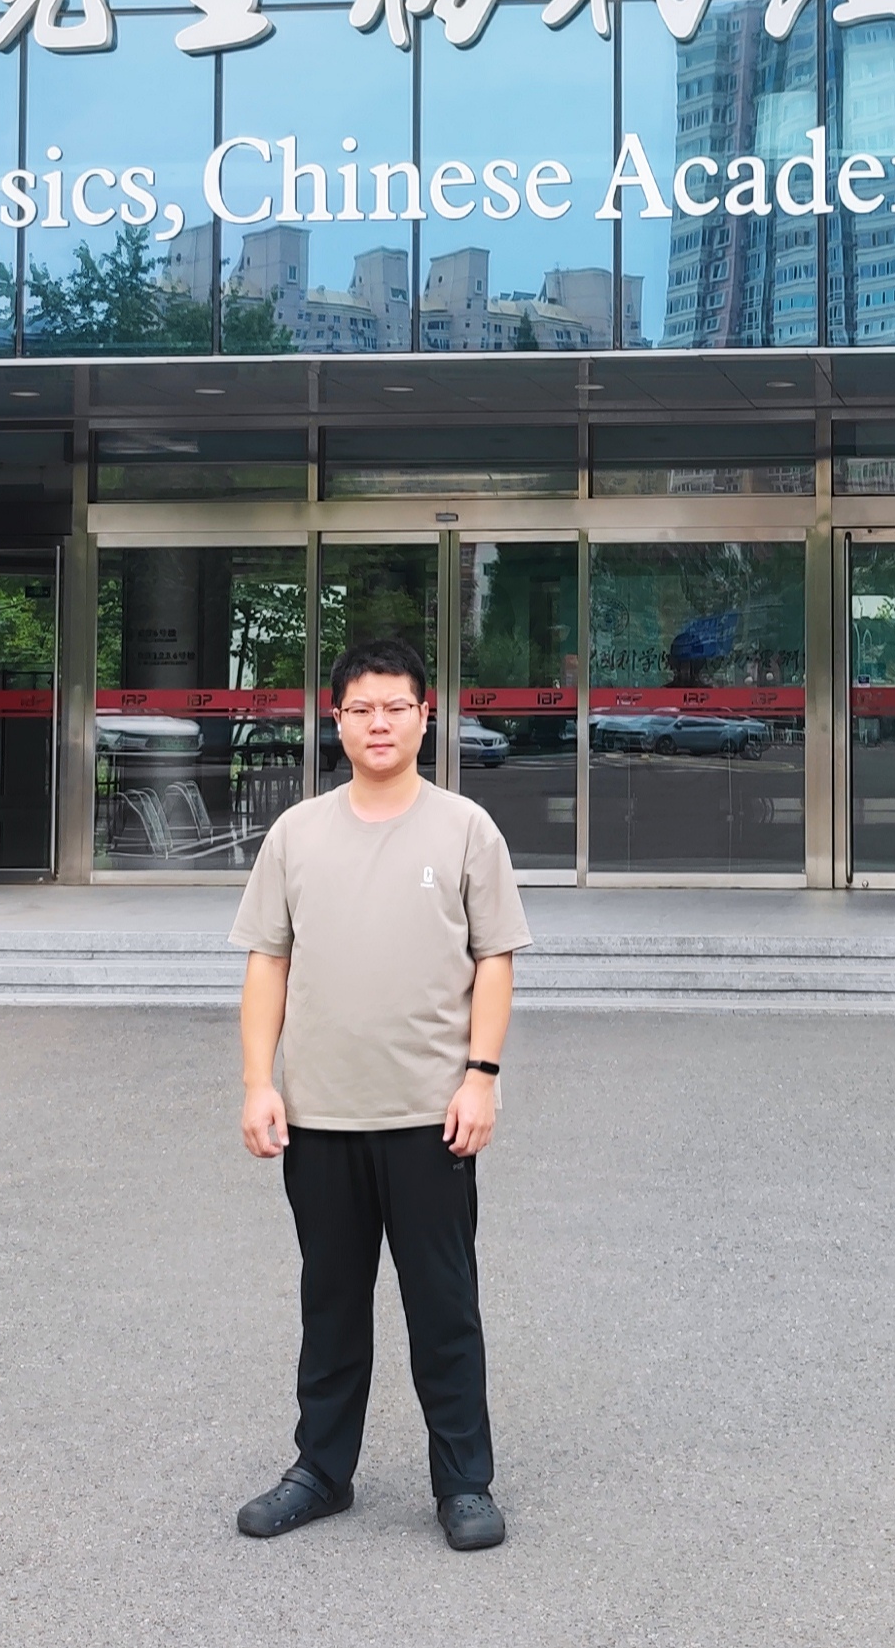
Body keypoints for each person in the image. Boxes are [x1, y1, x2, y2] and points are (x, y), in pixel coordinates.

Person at [231, 634, 527, 1553]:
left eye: (397, 706)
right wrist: (259, 1082)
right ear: (338, 719)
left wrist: (481, 1077)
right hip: (320, 1116)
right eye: (361, 708)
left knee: (444, 1307)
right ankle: (321, 1468)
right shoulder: (297, 833)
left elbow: (495, 959)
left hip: (431, 1117)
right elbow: (268, 961)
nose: (379, 722)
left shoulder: (465, 829)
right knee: (330, 1303)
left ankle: (464, 1482)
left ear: (426, 715)